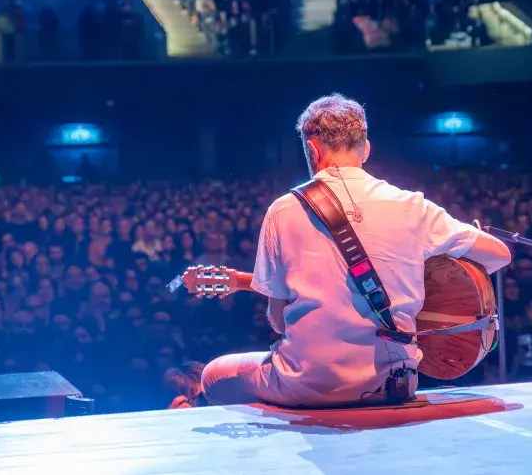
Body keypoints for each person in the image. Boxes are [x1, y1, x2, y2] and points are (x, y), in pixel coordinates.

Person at [196, 94, 511, 408]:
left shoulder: (283, 211)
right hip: (395, 383)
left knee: (213, 374)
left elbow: (279, 323)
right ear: (366, 149)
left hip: (308, 385)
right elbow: (499, 255)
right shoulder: (412, 205)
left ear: (312, 148)